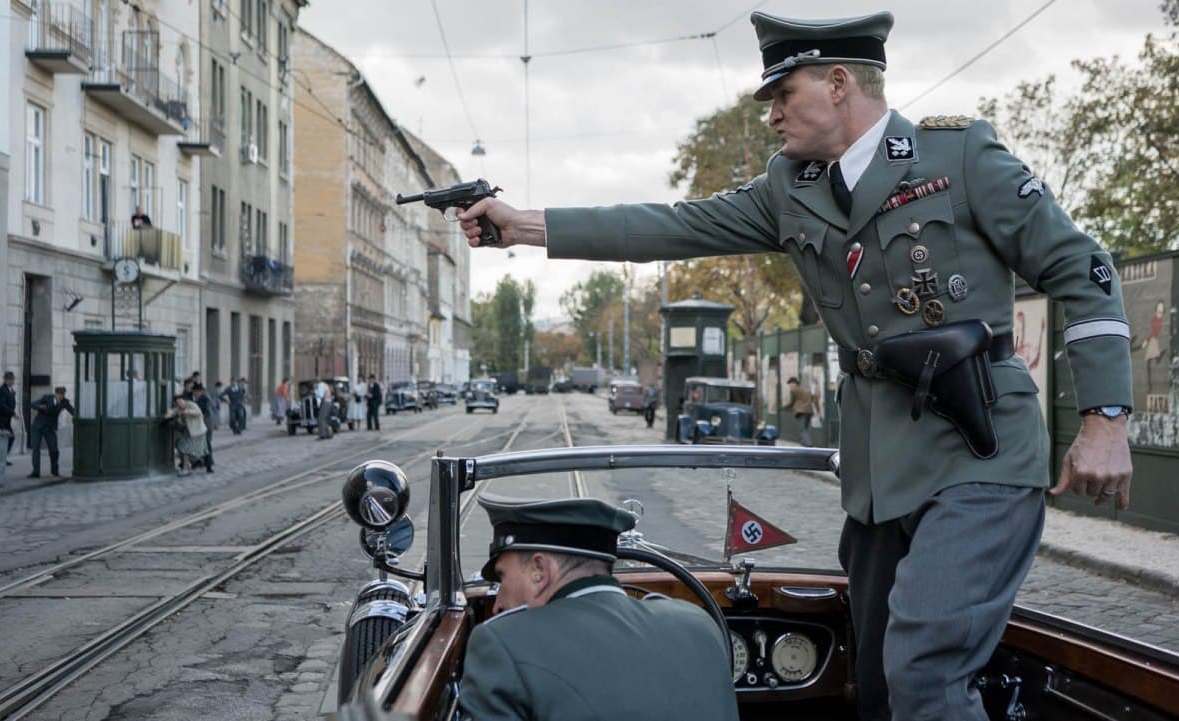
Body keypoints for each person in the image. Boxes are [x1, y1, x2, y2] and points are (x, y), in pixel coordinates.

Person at [458, 11, 1134, 720]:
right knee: (873, 678)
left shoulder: (959, 157)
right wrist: (524, 226)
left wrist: (1106, 418)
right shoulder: (790, 187)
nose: (773, 114)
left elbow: (1083, 267)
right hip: (881, 469)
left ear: (839, 84)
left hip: (981, 451)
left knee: (925, 670)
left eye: (784, 94)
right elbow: (670, 224)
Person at [458, 494, 738, 721]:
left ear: (539, 571)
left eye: (503, 577)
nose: (498, 604)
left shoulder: (503, 644)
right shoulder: (699, 625)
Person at [28, 386, 75, 478]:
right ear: (55, 394)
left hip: (50, 428)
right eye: (59, 395)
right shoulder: (47, 398)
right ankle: (36, 472)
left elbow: (72, 411)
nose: (60, 397)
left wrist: (76, 416)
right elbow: (33, 404)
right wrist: (40, 407)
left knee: (54, 450)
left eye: (62, 395)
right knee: (36, 449)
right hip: (38, 426)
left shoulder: (65, 402)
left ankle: (55, 471)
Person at [164, 394, 207, 476]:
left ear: (184, 400)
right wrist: (168, 414)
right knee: (181, 447)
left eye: (180, 401)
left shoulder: (191, 404)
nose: (179, 403)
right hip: (188, 431)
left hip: (197, 431)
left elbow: (198, 412)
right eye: (177, 402)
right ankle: (189, 466)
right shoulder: (179, 408)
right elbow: (173, 411)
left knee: (185, 448)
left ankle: (187, 468)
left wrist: (186, 412)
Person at [0, 371, 18, 465]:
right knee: (1, 438)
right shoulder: (1, 390)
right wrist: (13, 413)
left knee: (10, 437)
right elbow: (1, 405)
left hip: (5, 419)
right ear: (6, 380)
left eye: (13, 379)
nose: (13, 381)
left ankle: (2, 458)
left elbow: (11, 403)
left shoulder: (11, 391)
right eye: (11, 379)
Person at [190, 383, 215, 472]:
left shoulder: (205, 400)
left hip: (205, 425)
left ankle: (209, 465)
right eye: (195, 391)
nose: (197, 393)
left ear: (201, 392)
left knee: (206, 445)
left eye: (199, 392)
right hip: (194, 426)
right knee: (193, 445)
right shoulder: (191, 399)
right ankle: (196, 462)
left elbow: (208, 414)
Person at [784, 377, 816, 447]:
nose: (790, 386)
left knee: (802, 429)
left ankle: (808, 444)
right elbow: (813, 398)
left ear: (795, 384)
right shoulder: (807, 390)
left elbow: (791, 402)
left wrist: (785, 407)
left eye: (790, 384)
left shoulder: (794, 391)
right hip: (809, 411)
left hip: (801, 411)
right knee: (806, 428)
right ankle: (804, 443)